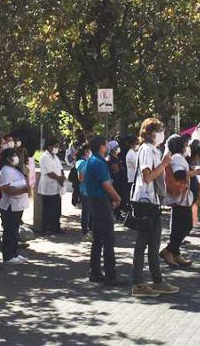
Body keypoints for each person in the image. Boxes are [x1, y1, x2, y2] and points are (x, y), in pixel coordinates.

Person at [130, 118, 179, 298]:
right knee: (142, 243)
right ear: (150, 132)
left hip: (153, 201)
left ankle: (157, 281)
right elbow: (147, 177)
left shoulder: (154, 150)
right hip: (145, 202)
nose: (162, 134)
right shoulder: (146, 150)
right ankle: (138, 284)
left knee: (154, 243)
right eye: (159, 130)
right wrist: (164, 163)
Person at [84, 137, 122, 285]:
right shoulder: (99, 163)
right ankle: (110, 275)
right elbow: (106, 185)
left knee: (98, 239)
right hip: (100, 202)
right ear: (101, 146)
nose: (107, 146)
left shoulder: (93, 160)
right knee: (107, 239)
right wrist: (117, 198)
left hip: (95, 201)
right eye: (106, 144)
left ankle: (95, 271)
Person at [161, 134, 193, 267]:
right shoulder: (177, 158)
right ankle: (169, 250)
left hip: (181, 198)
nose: (187, 147)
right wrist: (194, 173)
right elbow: (179, 174)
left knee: (179, 226)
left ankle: (175, 252)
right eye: (185, 144)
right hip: (180, 198)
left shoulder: (177, 157)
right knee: (185, 226)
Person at [0, 147, 30, 265]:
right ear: (8, 158)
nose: (16, 157)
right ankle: (8, 255)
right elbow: (7, 190)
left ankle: (14, 252)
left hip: (18, 205)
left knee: (14, 230)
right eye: (14, 155)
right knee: (9, 230)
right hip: (10, 205)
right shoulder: (5, 171)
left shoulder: (15, 169)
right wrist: (23, 190)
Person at [38, 138, 65, 233]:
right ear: (49, 146)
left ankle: (56, 227)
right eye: (55, 146)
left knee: (57, 208)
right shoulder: (44, 157)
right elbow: (49, 173)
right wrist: (60, 179)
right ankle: (46, 228)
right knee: (48, 208)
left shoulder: (56, 157)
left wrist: (62, 177)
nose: (57, 148)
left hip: (57, 186)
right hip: (48, 187)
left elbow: (61, 169)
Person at [75, 144, 92, 237]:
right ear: (86, 151)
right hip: (85, 190)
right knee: (86, 211)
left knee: (89, 210)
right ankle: (85, 230)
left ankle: (89, 228)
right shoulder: (81, 163)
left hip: (90, 189)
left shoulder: (88, 161)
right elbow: (80, 178)